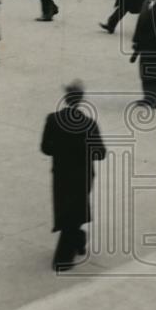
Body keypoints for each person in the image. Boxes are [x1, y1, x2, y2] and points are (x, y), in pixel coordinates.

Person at [40, 80, 106, 271]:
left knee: (66, 211)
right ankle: (72, 246)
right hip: (82, 175)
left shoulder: (52, 119)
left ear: (66, 98)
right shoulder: (89, 124)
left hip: (61, 175)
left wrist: (62, 150)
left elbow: (45, 148)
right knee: (75, 211)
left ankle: (69, 249)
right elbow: (100, 153)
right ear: (81, 100)